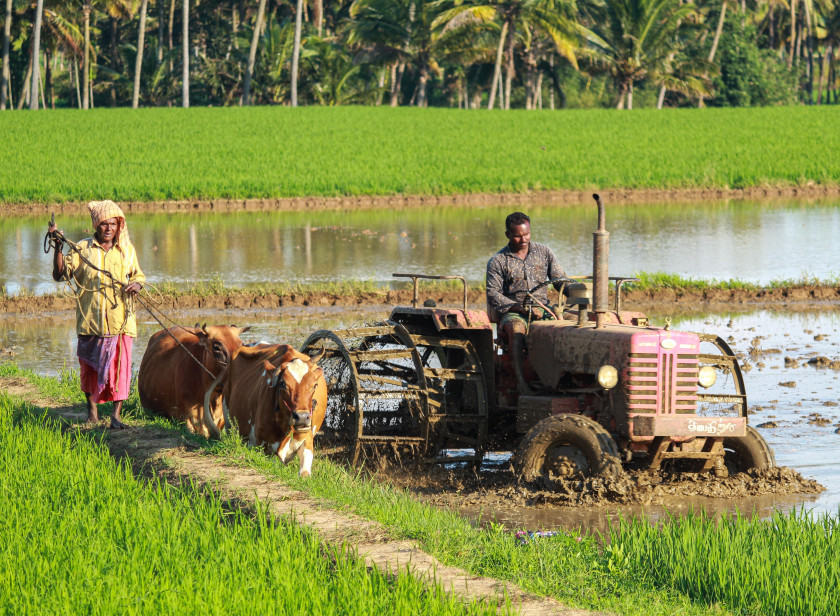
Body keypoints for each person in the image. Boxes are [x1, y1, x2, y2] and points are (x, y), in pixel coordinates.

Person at [48, 201, 145, 429]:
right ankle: (92, 413)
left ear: (118, 226)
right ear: (96, 225)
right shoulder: (82, 248)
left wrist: (137, 285)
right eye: (104, 224)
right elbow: (60, 274)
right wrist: (58, 247)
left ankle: (116, 416)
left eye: (113, 224)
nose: (109, 228)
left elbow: (138, 276)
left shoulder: (126, 250)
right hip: (91, 322)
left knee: (120, 369)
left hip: (121, 322)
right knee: (89, 370)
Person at [486, 212, 565, 395]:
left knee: (570, 324)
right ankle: (522, 384)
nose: (523, 239)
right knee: (516, 329)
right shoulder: (498, 261)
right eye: (518, 236)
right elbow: (493, 294)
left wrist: (576, 292)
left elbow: (560, 280)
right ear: (508, 235)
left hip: (543, 308)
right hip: (513, 312)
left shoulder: (544, 253)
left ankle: (560, 380)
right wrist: (520, 308)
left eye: (527, 234)